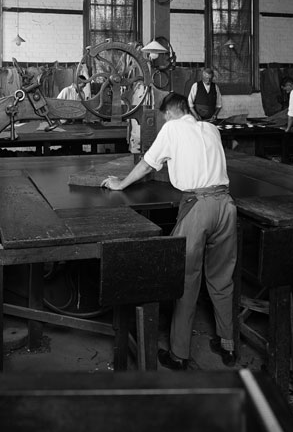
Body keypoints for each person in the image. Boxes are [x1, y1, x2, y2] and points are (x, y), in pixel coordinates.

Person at [101, 93, 237, 370]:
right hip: (226, 206)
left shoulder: (172, 128)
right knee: (222, 279)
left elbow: (147, 164)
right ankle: (228, 345)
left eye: (163, 116)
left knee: (186, 280)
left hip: (198, 207)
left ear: (171, 112)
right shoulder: (211, 128)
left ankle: (179, 354)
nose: (163, 120)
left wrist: (121, 183)